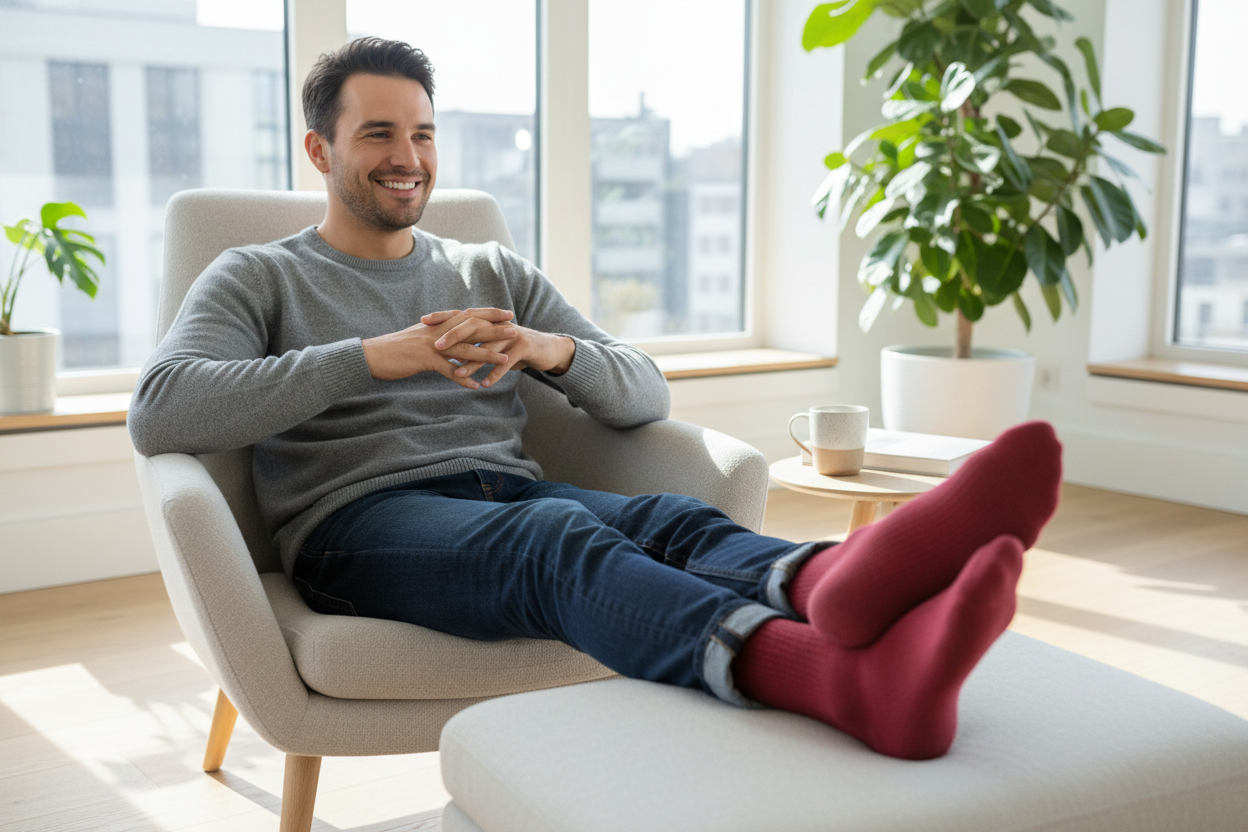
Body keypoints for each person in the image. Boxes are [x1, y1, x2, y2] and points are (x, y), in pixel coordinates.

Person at [128, 37, 1063, 761]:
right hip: (355, 527)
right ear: (318, 148)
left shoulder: (486, 265)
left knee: (670, 521)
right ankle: (836, 680)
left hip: (501, 489)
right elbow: (163, 412)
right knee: (555, 543)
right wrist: (374, 357)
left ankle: (833, 582)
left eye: (421, 133)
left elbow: (641, 391)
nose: (407, 156)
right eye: (377, 132)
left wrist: (549, 349)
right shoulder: (257, 275)